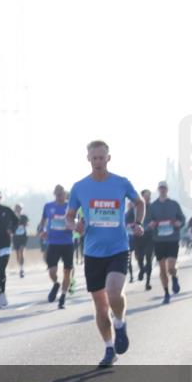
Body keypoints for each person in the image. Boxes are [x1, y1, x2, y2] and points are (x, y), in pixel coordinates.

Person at [66, 140, 144, 368]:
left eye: (102, 157)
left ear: (108, 158)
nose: (98, 162)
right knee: (100, 306)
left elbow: (139, 202)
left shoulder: (121, 183)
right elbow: (69, 216)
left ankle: (119, 323)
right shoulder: (80, 187)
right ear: (88, 159)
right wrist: (74, 226)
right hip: (93, 252)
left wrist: (138, 222)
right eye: (94, 158)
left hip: (118, 248)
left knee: (114, 293)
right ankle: (109, 348)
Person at [146, 181, 185, 304]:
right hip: (159, 240)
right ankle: (166, 293)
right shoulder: (152, 206)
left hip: (172, 238)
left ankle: (174, 277)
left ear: (167, 190)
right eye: (160, 188)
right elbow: (146, 222)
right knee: (162, 269)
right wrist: (150, 225)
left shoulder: (174, 204)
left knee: (171, 267)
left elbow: (182, 218)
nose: (162, 190)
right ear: (158, 190)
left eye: (164, 188)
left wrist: (180, 223)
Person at [39, 184, 73, 308]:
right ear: (54, 194)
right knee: (52, 270)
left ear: (65, 194)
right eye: (57, 194)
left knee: (67, 272)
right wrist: (41, 230)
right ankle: (56, 284)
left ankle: (62, 297)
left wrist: (73, 225)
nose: (60, 196)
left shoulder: (70, 206)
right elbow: (42, 221)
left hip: (67, 243)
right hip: (53, 243)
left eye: (62, 193)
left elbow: (77, 220)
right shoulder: (48, 206)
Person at [133, 189, 154, 291]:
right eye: (145, 196)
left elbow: (157, 218)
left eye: (149, 197)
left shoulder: (154, 207)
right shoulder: (136, 208)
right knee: (139, 257)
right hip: (138, 236)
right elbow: (126, 219)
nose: (147, 198)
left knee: (149, 258)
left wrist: (154, 223)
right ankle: (142, 269)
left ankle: (148, 282)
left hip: (150, 236)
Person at [12, 204, 29, 278]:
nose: (18, 210)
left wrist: (22, 223)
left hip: (22, 236)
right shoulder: (11, 217)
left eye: (19, 208)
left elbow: (26, 223)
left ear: (21, 209)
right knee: (17, 254)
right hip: (15, 237)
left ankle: (22, 269)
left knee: (21, 251)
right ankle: (20, 267)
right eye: (16, 208)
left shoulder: (24, 216)